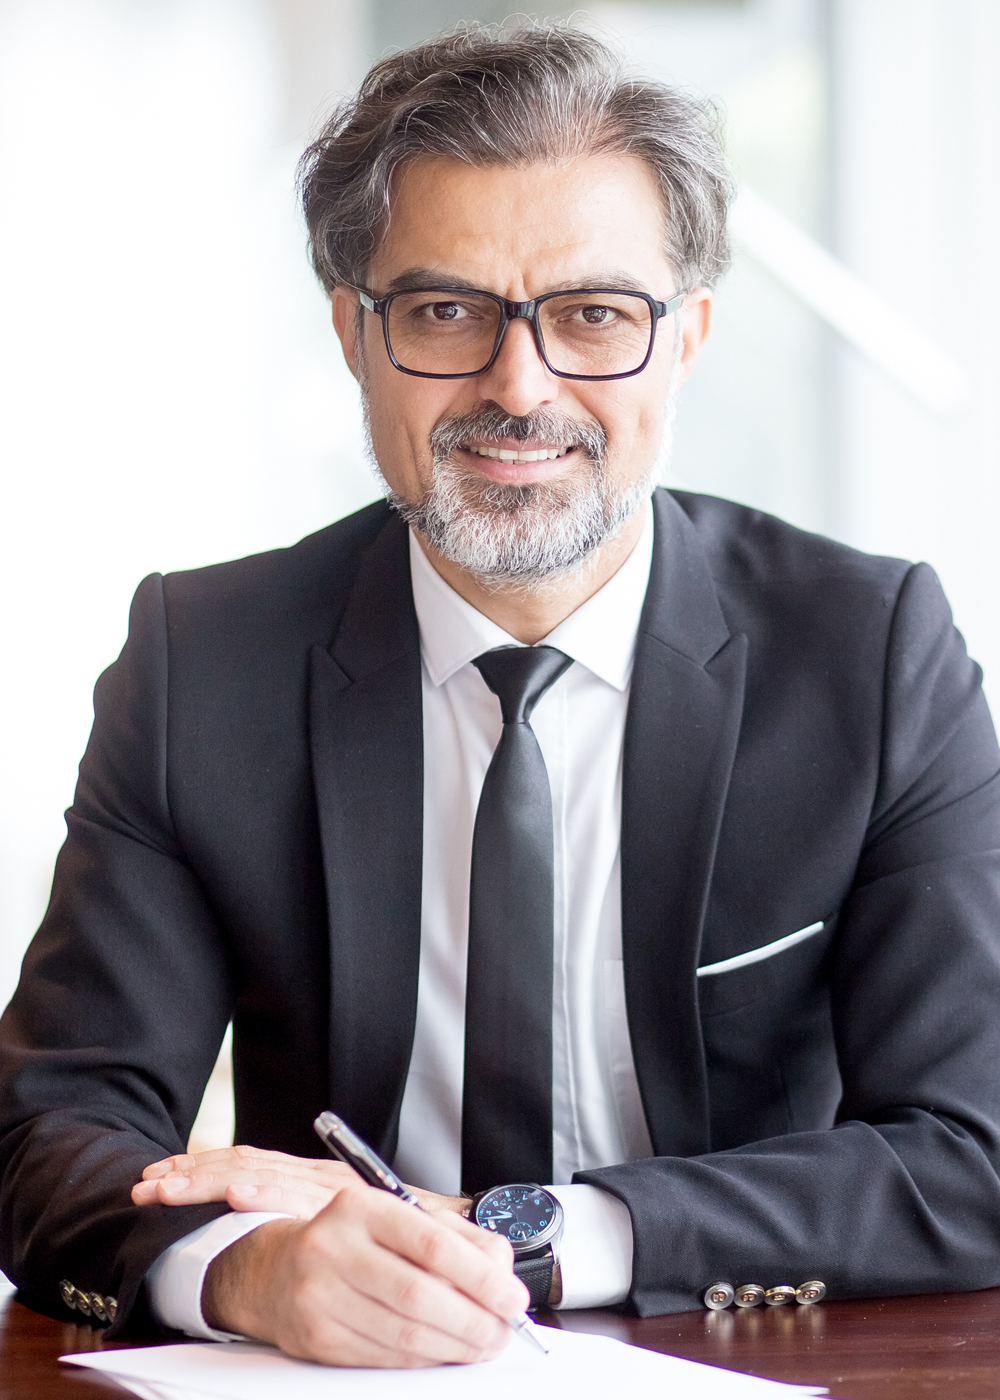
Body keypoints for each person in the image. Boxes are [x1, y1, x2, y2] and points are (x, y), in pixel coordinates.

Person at [2, 21, 1000, 1372]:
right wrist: (245, 1270)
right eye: (444, 313)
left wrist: (519, 1237)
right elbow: (48, 1132)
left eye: (594, 315)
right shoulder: (203, 663)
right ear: (354, 335)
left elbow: (973, 1153)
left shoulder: (871, 654)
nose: (519, 387)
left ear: (686, 339)